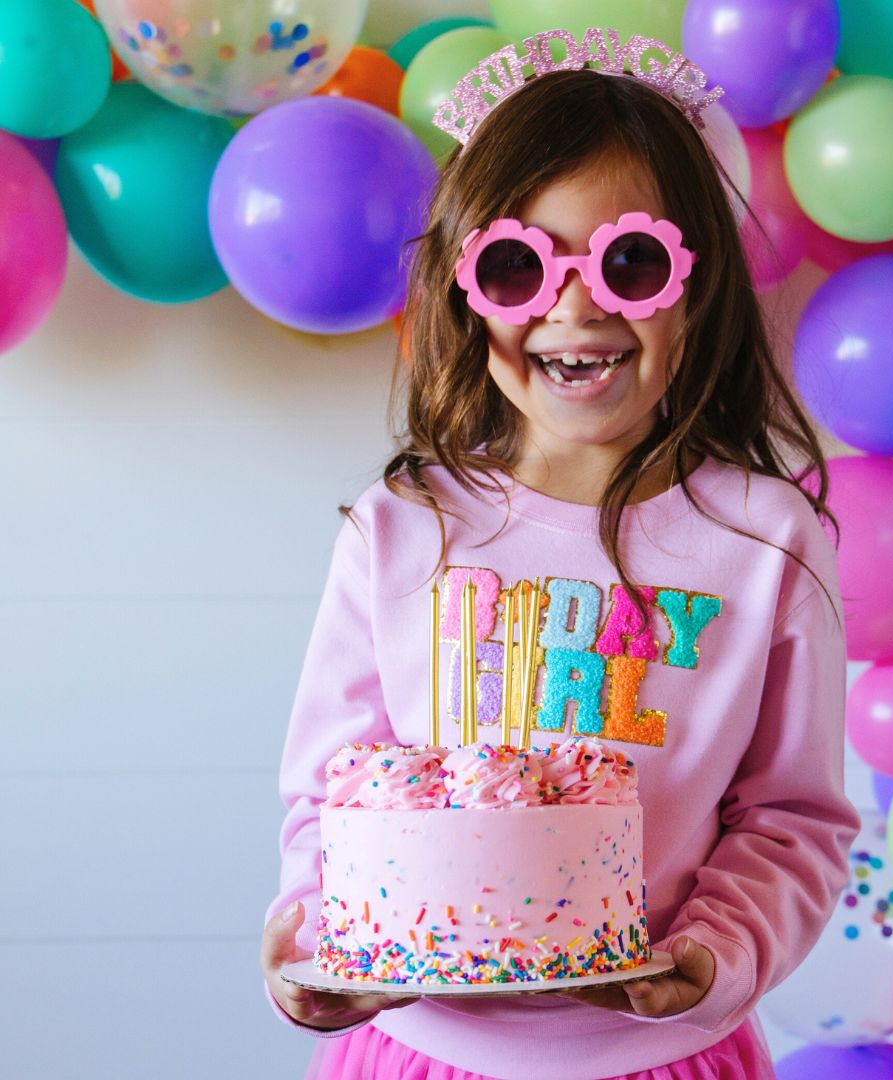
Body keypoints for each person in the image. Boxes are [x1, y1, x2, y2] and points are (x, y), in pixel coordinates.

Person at [260, 33, 861, 1080]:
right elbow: (330, 793)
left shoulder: (765, 542)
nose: (575, 307)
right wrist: (312, 940)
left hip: (664, 1055)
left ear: (694, 283)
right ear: (465, 286)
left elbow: (792, 819)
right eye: (519, 265)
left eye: (628, 261)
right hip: (415, 1048)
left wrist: (708, 959)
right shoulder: (401, 526)